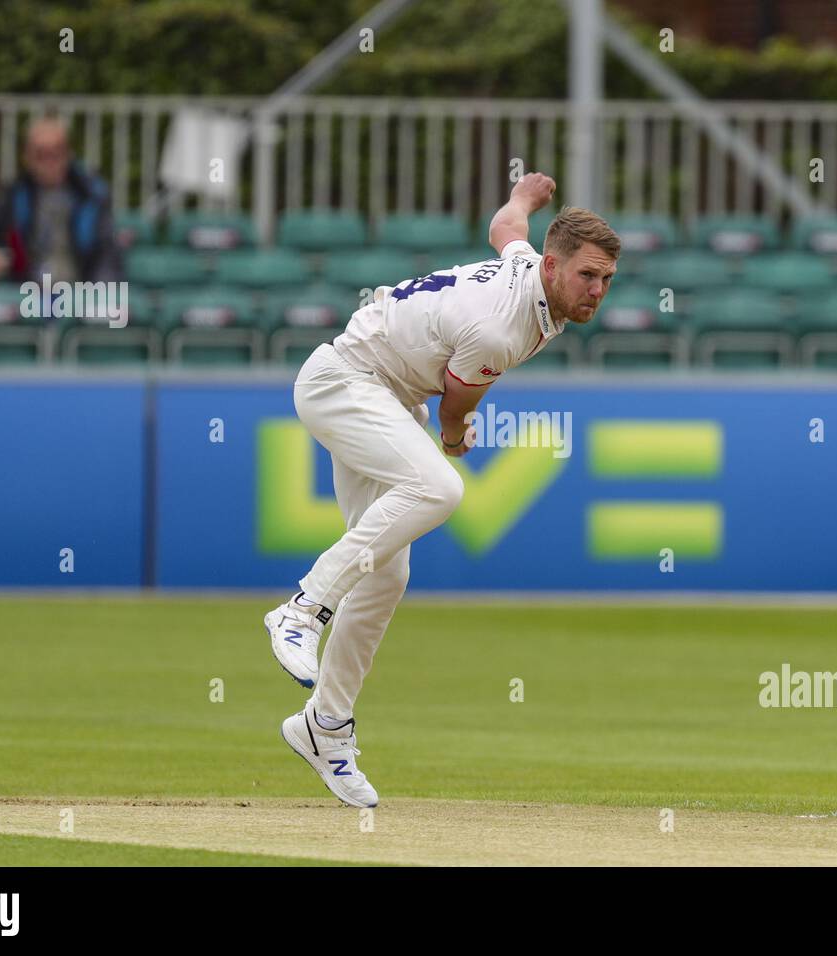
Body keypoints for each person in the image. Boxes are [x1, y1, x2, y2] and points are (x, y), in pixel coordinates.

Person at [265, 173, 620, 808]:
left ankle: (324, 727)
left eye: (606, 280)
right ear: (553, 265)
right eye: (587, 276)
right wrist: (456, 440)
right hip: (344, 382)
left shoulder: (526, 267)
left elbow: (505, 230)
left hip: (387, 395)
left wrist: (522, 201)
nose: (597, 291)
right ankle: (302, 609)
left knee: (386, 576)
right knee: (439, 486)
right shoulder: (500, 330)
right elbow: (456, 408)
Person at [0, 116, 123, 285]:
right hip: (28, 294)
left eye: (56, 153)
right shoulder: (13, 196)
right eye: (40, 154)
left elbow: (106, 253)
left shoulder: (92, 196)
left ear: (68, 154)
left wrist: (98, 297)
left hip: (81, 293)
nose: (49, 162)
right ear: (27, 157)